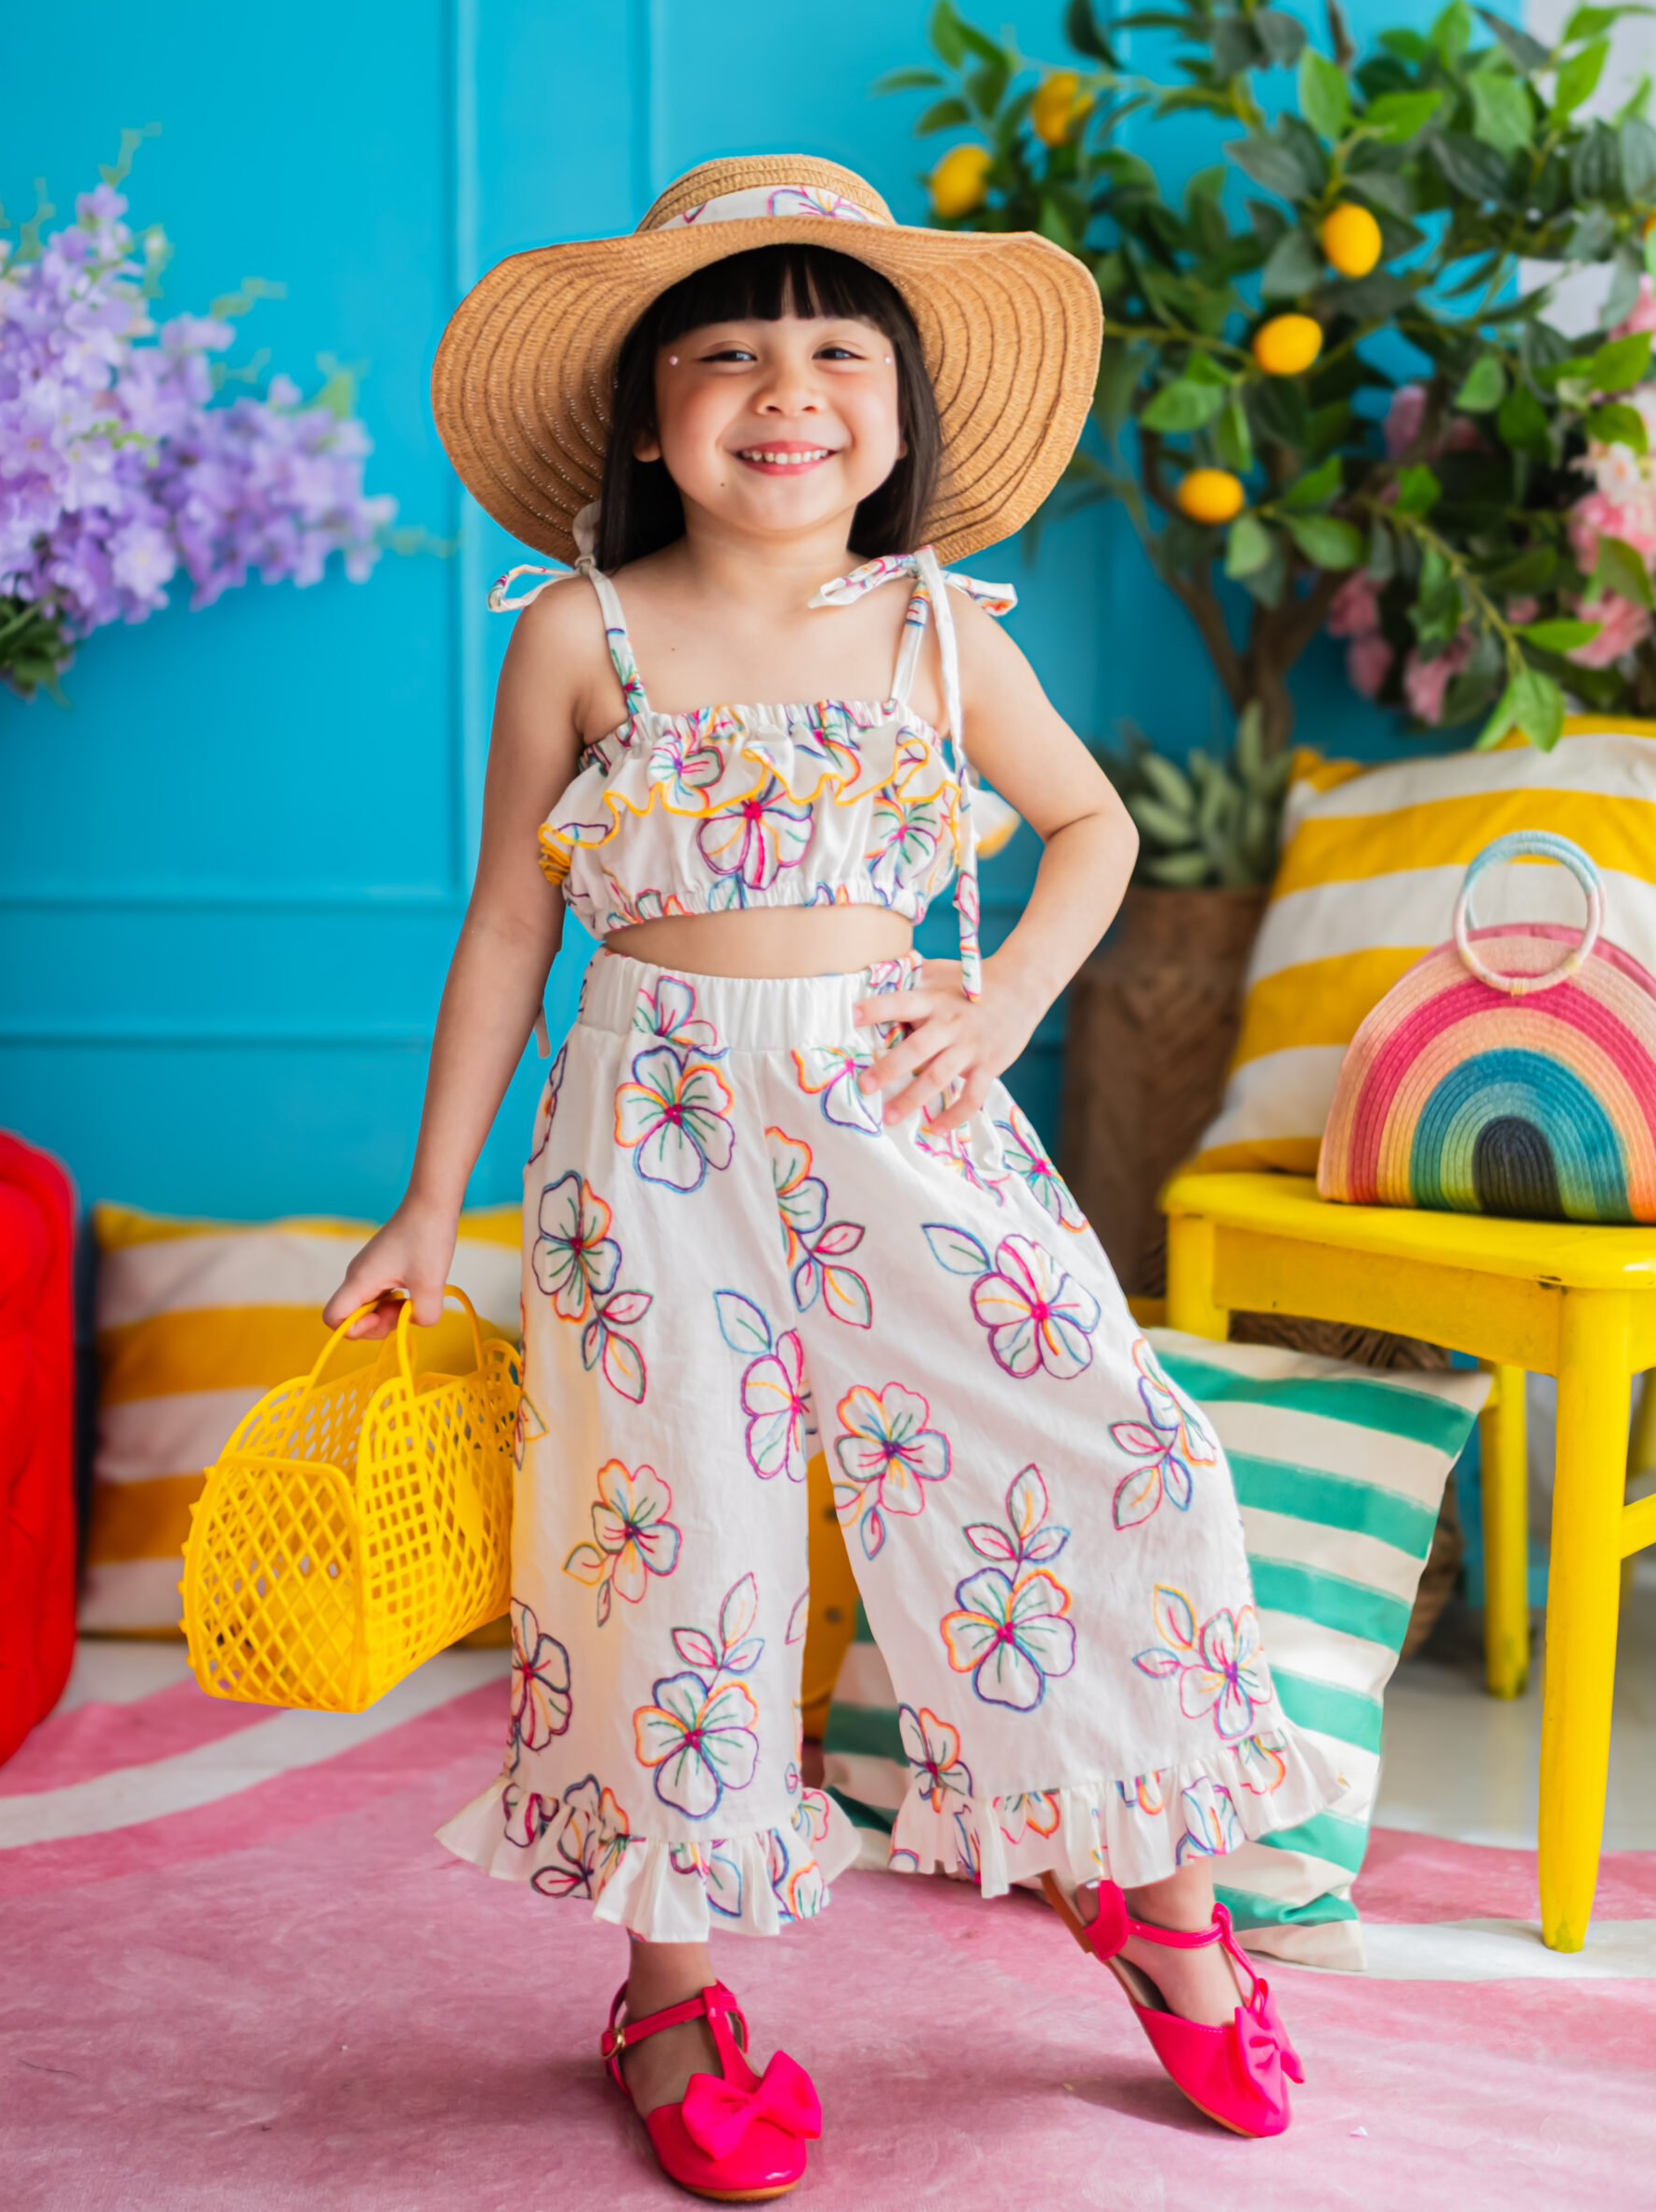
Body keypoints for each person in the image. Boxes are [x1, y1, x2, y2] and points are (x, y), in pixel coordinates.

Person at [327, 154, 1339, 2192]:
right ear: (645, 417)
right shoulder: (581, 633)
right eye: (724, 354)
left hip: (901, 1111)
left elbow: (1092, 831)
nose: (783, 392)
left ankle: (1152, 1888)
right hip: (649, 1140)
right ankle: (670, 1984)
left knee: (1116, 1457)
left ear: (898, 411)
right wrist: (428, 1201)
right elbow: (507, 927)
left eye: (834, 355)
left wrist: (1005, 1001)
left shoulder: (937, 629)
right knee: (668, 1540)